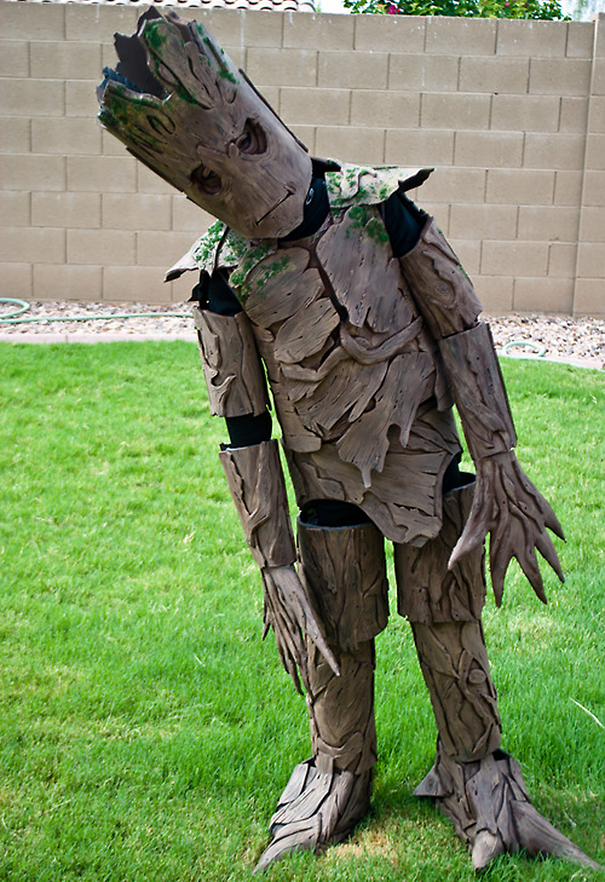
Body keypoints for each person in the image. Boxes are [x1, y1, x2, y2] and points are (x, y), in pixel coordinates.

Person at [97, 9, 599, 873]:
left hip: (426, 465)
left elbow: (460, 331)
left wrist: (501, 463)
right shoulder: (221, 278)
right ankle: (339, 771)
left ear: (260, 127)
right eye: (203, 180)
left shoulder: (385, 213)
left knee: (448, 621)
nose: (229, 189)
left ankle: (477, 771)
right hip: (323, 491)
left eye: (234, 156)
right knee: (335, 631)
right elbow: (245, 422)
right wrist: (273, 562)